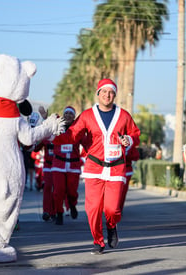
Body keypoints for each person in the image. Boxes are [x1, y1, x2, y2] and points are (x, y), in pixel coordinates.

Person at [51, 78, 140, 255]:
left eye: (111, 92)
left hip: (116, 168)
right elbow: (72, 136)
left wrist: (128, 139)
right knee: (93, 208)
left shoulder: (123, 115)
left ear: (115, 95)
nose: (107, 95)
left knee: (112, 209)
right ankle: (97, 241)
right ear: (98, 94)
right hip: (94, 168)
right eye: (104, 92)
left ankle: (112, 225)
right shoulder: (87, 115)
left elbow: (135, 134)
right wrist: (52, 131)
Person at [51, 106, 82, 225]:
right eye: (66, 113)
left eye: (71, 113)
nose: (68, 115)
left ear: (74, 116)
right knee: (58, 191)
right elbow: (49, 136)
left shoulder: (78, 129)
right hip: (58, 164)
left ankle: (72, 205)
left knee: (72, 191)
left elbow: (86, 142)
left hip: (73, 165)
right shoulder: (57, 126)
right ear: (63, 115)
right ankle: (59, 213)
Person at [119, 145, 140, 213]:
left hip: (127, 171)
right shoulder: (114, 143)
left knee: (123, 191)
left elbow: (136, 157)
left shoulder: (130, 146)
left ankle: (119, 209)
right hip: (115, 171)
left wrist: (127, 154)